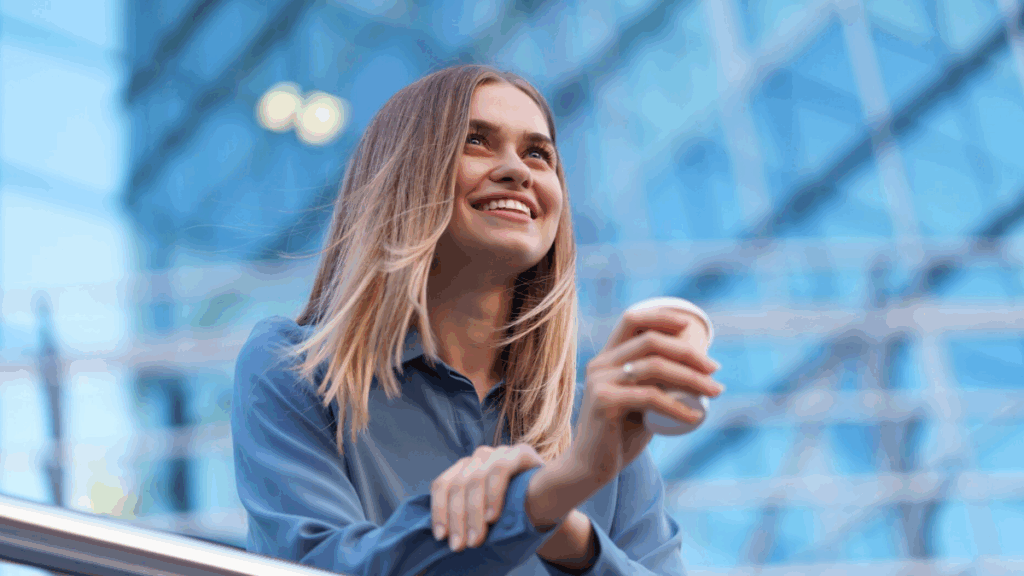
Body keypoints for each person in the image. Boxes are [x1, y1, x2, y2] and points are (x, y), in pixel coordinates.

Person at [231, 64, 725, 576]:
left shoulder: (597, 426)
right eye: (476, 141)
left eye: (538, 153)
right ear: (407, 174)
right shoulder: (295, 368)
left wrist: (575, 536)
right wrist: (542, 501)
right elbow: (316, 566)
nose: (519, 170)